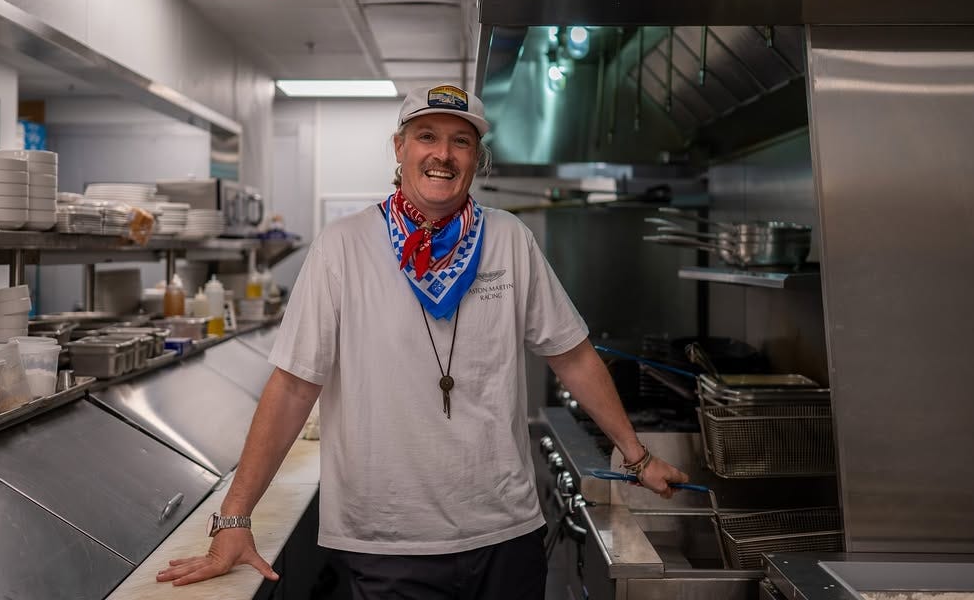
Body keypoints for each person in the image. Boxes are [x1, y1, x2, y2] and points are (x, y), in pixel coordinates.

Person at [157, 83, 690, 598]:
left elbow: (571, 355)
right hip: (386, 540)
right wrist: (234, 516)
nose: (443, 154)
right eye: (427, 136)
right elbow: (295, 385)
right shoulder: (344, 247)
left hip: (505, 531)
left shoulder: (509, 240)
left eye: (461, 141)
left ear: (476, 157)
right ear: (400, 147)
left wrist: (638, 456)